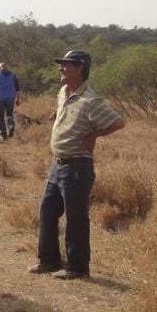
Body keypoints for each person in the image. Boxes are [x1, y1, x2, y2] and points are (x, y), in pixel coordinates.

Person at [29, 50, 125, 280]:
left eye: (66, 65)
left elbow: (118, 122)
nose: (61, 69)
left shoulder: (90, 100)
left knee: (75, 218)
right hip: (58, 163)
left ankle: (78, 267)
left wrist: (93, 136)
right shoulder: (63, 92)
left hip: (77, 167)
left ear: (80, 68)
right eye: (61, 65)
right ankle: (49, 260)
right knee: (47, 211)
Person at [0, 62, 21, 139]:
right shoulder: (13, 75)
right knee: (9, 115)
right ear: (6, 67)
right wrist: (17, 99)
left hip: (0, 99)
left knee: (1, 116)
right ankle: (11, 127)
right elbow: (17, 88)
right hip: (10, 99)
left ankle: (3, 134)